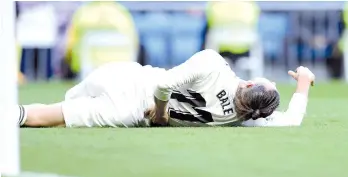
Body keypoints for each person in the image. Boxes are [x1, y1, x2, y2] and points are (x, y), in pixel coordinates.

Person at [13, 49, 314, 128]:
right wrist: (303, 83)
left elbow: (163, 83)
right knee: (45, 116)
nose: (272, 80)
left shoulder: (213, 64)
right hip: (128, 111)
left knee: (54, 108)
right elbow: (291, 120)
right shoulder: (247, 117)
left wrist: (160, 112)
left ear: (250, 82)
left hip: (126, 78)